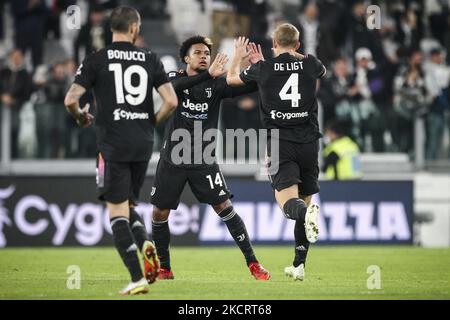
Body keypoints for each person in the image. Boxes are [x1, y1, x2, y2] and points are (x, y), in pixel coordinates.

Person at [64, 6, 178, 295]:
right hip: (142, 142)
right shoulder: (150, 58)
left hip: (112, 142)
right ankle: (146, 244)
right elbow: (171, 101)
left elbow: (70, 100)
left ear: (111, 28)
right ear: (134, 28)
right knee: (128, 206)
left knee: (115, 213)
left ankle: (137, 277)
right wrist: (150, 122)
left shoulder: (96, 60)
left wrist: (81, 117)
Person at [150, 35, 270, 281]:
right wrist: (209, 75)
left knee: (225, 208)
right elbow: (170, 91)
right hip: (173, 158)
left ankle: (253, 264)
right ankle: (165, 268)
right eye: (198, 52)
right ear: (186, 58)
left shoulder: (216, 85)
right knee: (159, 213)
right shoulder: (175, 77)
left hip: (203, 160)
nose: (204, 56)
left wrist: (260, 67)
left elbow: (253, 85)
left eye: (207, 53)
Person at [227, 23, 324, 281]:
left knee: (288, 206)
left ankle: (306, 215)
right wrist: (291, 56)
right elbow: (314, 68)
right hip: (309, 143)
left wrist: (240, 57)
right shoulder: (311, 63)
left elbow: (231, 80)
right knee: (304, 200)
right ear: (299, 44)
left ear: (273, 43)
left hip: (280, 142)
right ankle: (299, 265)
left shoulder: (264, 68)